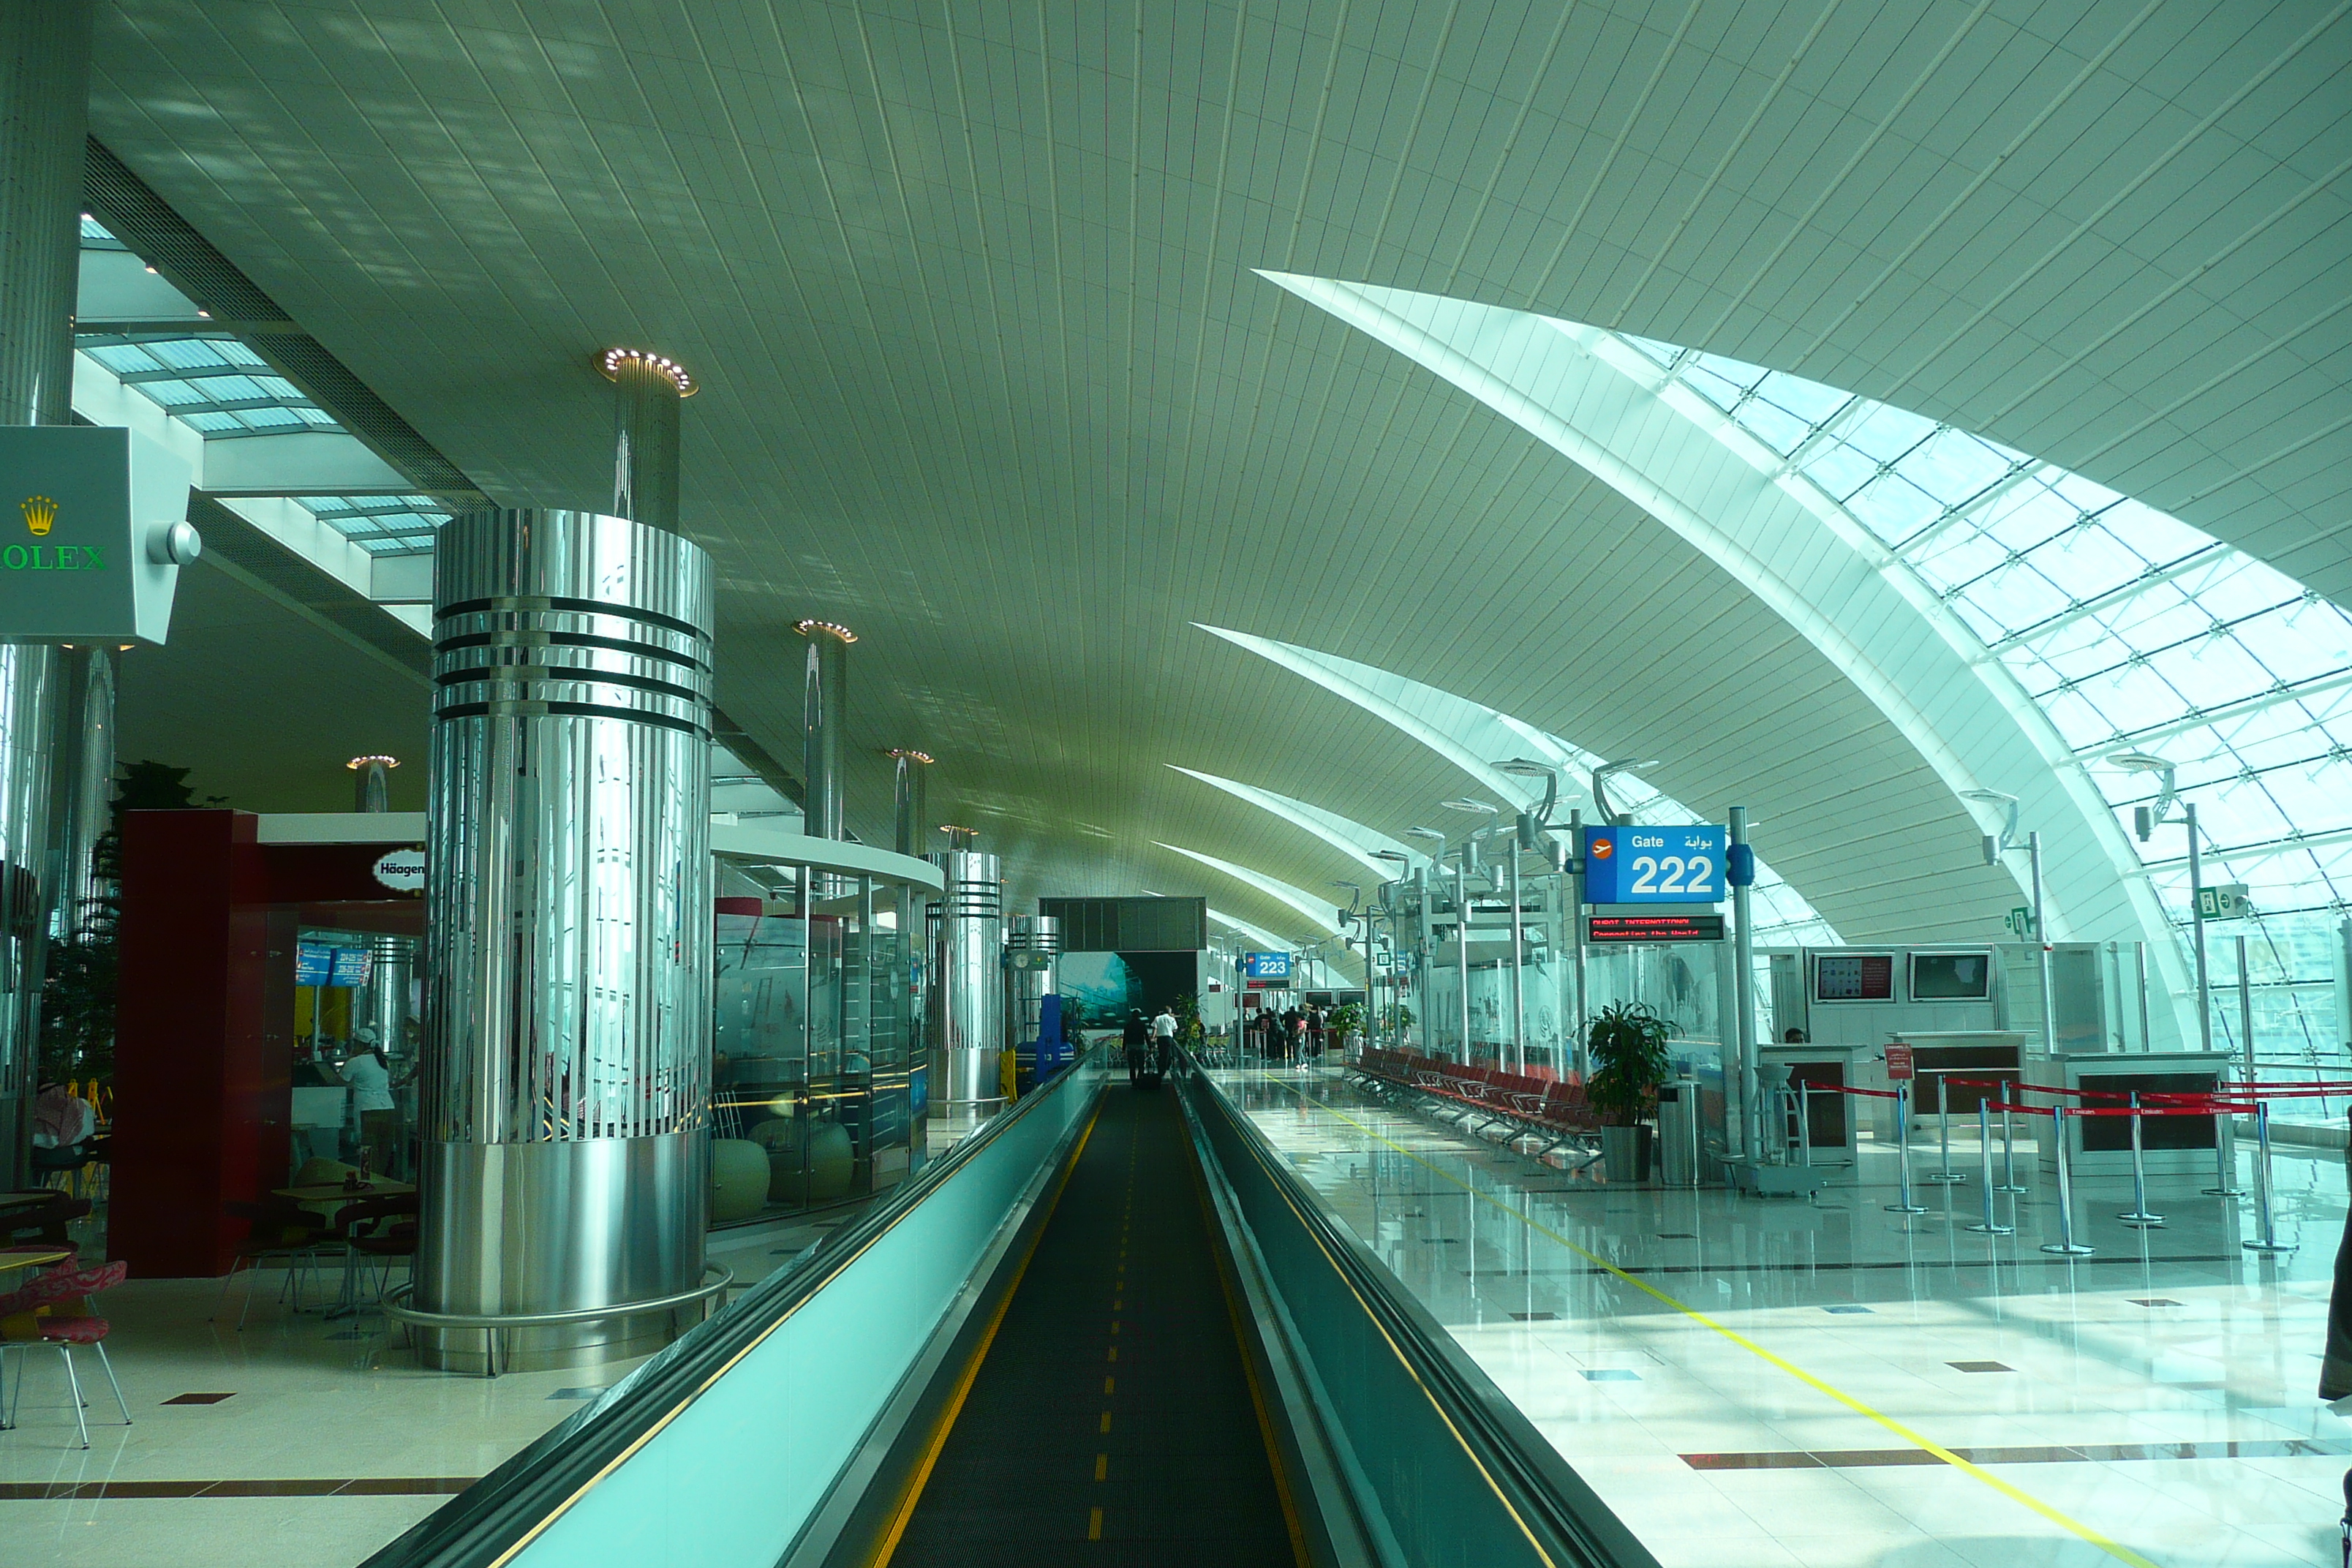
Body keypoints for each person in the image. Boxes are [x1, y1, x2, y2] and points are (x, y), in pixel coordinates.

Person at [338, 1029, 399, 1176]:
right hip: (388, 1108)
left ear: (359, 1044)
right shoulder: (382, 1060)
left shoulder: (356, 1062)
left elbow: (339, 1082)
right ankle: (384, 1183)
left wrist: (350, 1057)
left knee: (367, 1150)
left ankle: (368, 1182)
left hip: (368, 1109)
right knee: (384, 1150)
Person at [1121, 1009, 1152, 1088]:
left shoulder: (1128, 1025)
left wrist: (1123, 1050)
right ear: (1139, 1016)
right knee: (1141, 1065)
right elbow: (1147, 1036)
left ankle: (1133, 1082)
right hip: (1140, 1047)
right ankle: (1139, 1080)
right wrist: (1150, 1047)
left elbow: (1125, 1038)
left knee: (1132, 1066)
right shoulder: (1142, 1024)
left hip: (1130, 1047)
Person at [1151, 1004, 1178, 1077]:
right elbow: (1175, 1029)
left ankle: (1161, 1069)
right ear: (1169, 1011)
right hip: (1168, 1038)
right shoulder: (1172, 1019)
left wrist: (1153, 1037)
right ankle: (1165, 1069)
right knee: (1167, 1054)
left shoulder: (1157, 1018)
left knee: (1161, 1054)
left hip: (1160, 1038)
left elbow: (1155, 1029)